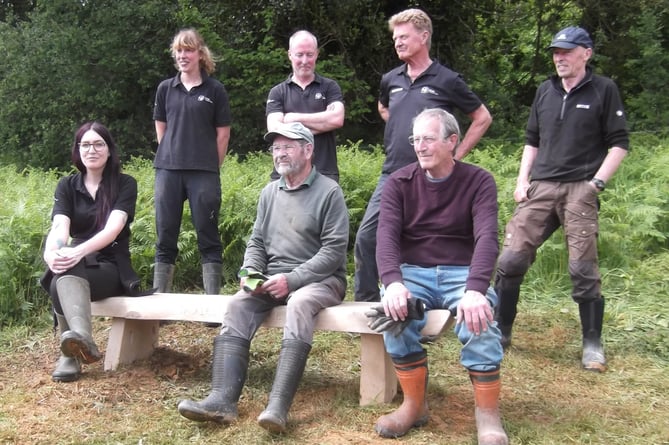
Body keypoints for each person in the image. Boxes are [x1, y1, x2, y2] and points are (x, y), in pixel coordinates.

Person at [177, 122, 349, 433]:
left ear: (309, 150)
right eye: (276, 148)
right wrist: (250, 271)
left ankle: (277, 409)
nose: (280, 153)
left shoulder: (329, 192)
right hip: (273, 278)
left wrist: (293, 280)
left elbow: (334, 252)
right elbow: (257, 241)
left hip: (322, 281)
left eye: (288, 147)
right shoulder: (270, 192)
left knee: (299, 303)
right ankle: (221, 400)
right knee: (238, 305)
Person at [494, 26, 629, 373]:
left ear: (587, 53)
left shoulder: (603, 90)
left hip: (580, 187)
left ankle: (592, 343)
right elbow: (532, 139)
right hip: (541, 187)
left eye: (567, 51)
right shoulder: (545, 90)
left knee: (582, 268)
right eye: (556, 51)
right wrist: (522, 180)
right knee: (509, 260)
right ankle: (501, 331)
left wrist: (595, 184)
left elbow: (619, 143)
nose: (559, 57)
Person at [371, 108, 507, 444]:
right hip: (412, 272)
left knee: (480, 320)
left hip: (462, 273)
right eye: (415, 139)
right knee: (395, 316)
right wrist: (393, 284)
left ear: (452, 141)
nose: (420, 146)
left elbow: (487, 238)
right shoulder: (399, 183)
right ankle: (415, 405)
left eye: (428, 138)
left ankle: (487, 415)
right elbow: (386, 237)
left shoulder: (478, 181)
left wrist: (476, 290)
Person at [354, 8, 493, 302]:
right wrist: (402, 127)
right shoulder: (390, 79)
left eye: (404, 37)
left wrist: (456, 154)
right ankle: (369, 304)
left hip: (435, 178)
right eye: (395, 38)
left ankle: (426, 299)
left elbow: (482, 117)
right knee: (368, 236)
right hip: (394, 174)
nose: (398, 43)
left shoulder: (447, 79)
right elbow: (383, 108)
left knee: (425, 238)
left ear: (424, 36)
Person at [41, 122, 150, 383]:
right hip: (77, 263)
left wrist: (76, 252)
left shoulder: (125, 184)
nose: (92, 150)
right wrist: (51, 252)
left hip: (111, 266)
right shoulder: (67, 186)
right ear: (78, 151)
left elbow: (113, 230)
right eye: (85, 144)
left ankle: (72, 354)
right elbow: (60, 226)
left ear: (109, 150)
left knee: (65, 268)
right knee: (61, 265)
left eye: (98, 144)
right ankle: (80, 340)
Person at [152, 28, 231, 299]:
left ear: (200, 53)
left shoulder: (215, 90)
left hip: (204, 173)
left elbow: (223, 135)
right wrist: (172, 154)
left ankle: (212, 306)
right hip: (168, 171)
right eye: (179, 51)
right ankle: (159, 306)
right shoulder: (165, 88)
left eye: (188, 50)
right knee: (165, 237)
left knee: (208, 236)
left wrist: (211, 165)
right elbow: (161, 130)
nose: (183, 55)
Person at [266, 30, 345, 182]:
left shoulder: (330, 87)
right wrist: (322, 123)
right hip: (285, 174)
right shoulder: (277, 92)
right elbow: (275, 129)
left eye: (309, 54)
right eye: (299, 54)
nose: (305, 60)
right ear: (290, 55)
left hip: (324, 172)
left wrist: (292, 118)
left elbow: (336, 120)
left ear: (317, 54)